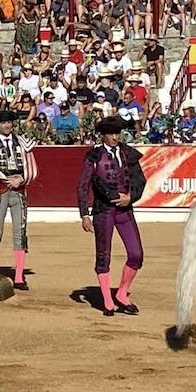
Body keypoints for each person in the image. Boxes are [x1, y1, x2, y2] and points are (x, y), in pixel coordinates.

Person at [77, 116, 146, 316]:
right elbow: (83, 186)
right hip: (103, 211)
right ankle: (107, 299)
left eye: (117, 133)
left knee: (136, 254)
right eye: (111, 134)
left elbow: (140, 180)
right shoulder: (94, 156)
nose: (115, 137)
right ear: (103, 135)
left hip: (125, 210)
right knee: (103, 255)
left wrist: (131, 197)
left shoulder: (127, 153)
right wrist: (84, 215)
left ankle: (122, 293)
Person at [0, 109, 37, 291]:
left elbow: (32, 167)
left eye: (9, 122)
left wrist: (21, 179)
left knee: (19, 231)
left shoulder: (22, 143)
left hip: (19, 189)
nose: (7, 125)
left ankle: (20, 276)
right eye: (3, 123)